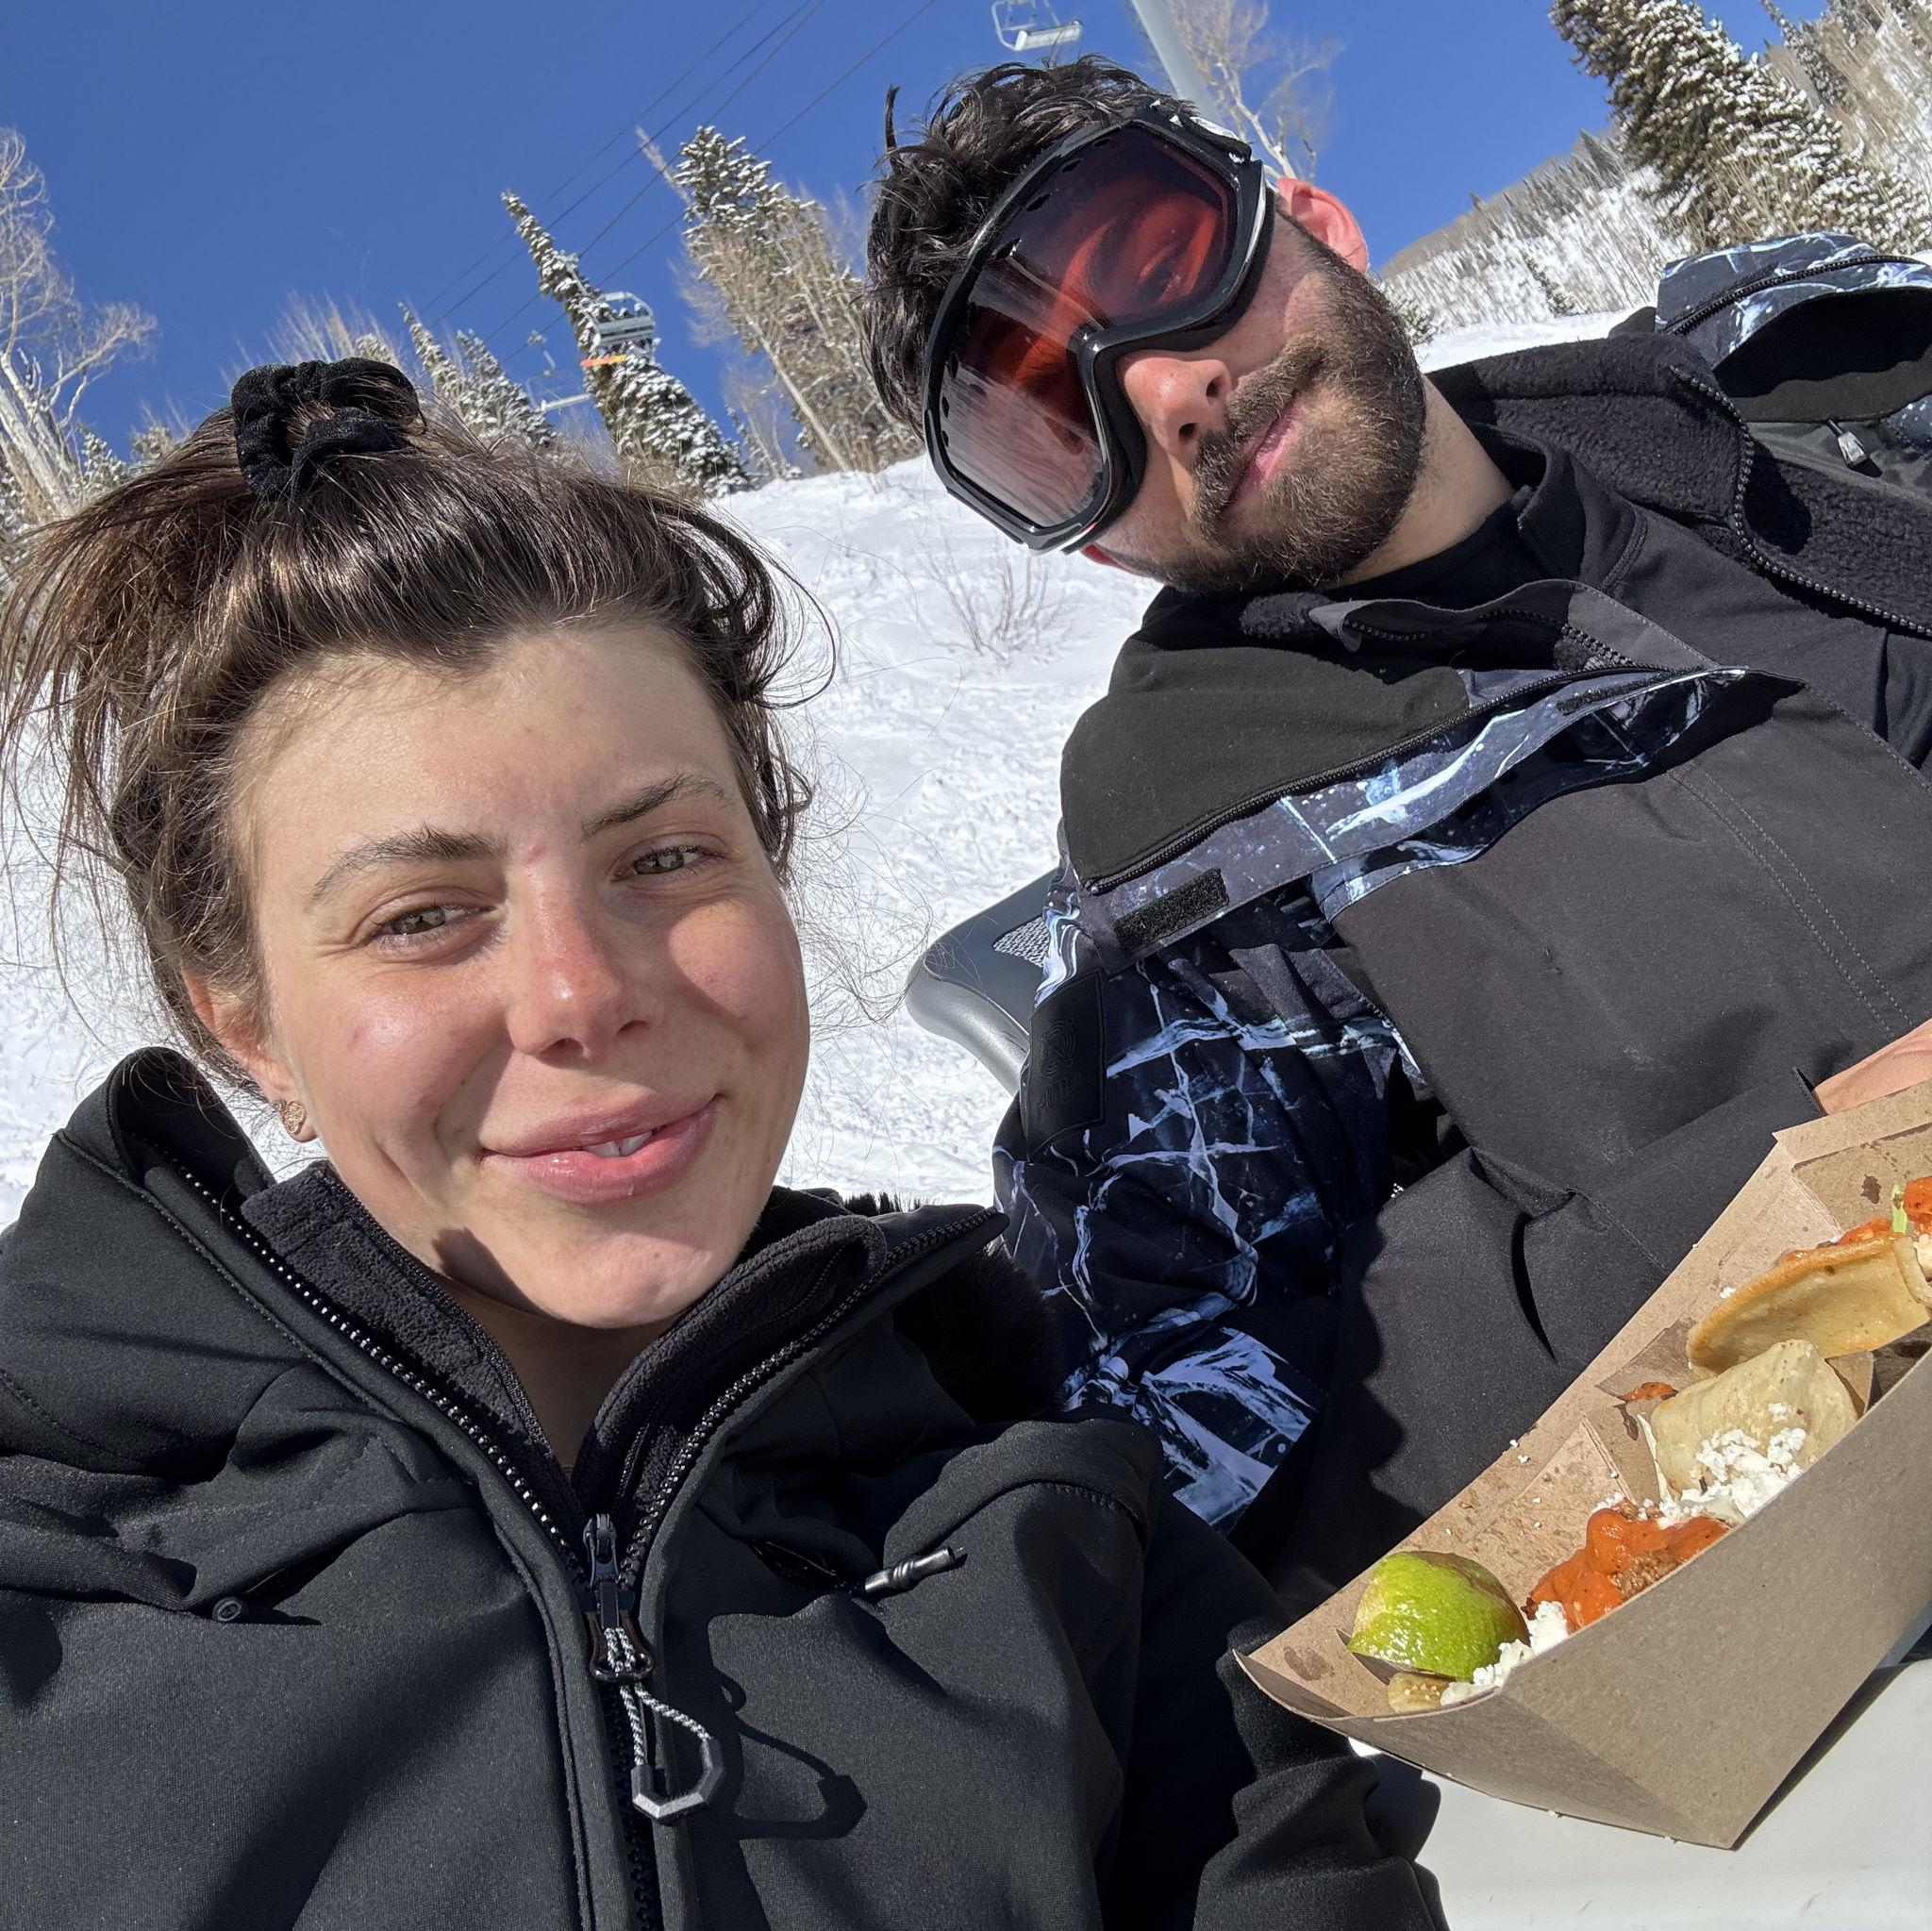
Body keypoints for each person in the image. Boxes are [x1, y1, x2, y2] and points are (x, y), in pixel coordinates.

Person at [0, 359, 1434, 1928]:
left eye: (666, 856)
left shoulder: (1059, 1521)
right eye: (421, 917)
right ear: (246, 1026)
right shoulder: (53, 1593)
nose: (582, 995)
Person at [861, 57, 1932, 1600]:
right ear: (1092, 541)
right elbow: (1189, 1446)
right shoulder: (1203, 897)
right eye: (1048, 427)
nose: (1163, 389)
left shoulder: (1783, 426)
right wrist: (1818, 1189)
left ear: (1313, 219)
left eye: (1162, 259)